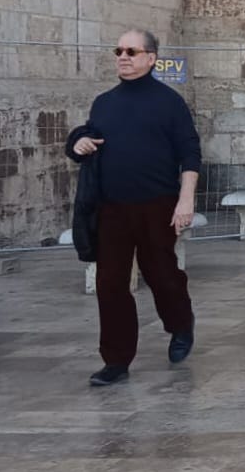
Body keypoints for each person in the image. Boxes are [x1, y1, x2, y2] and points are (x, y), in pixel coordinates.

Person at [66, 28, 200, 387]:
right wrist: (78, 142)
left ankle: (180, 324)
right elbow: (88, 137)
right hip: (111, 208)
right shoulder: (104, 102)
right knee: (110, 283)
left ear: (151, 58)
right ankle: (116, 360)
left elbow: (190, 153)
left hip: (157, 205)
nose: (123, 57)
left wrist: (186, 200)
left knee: (162, 276)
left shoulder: (169, 102)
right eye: (118, 50)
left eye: (131, 51)